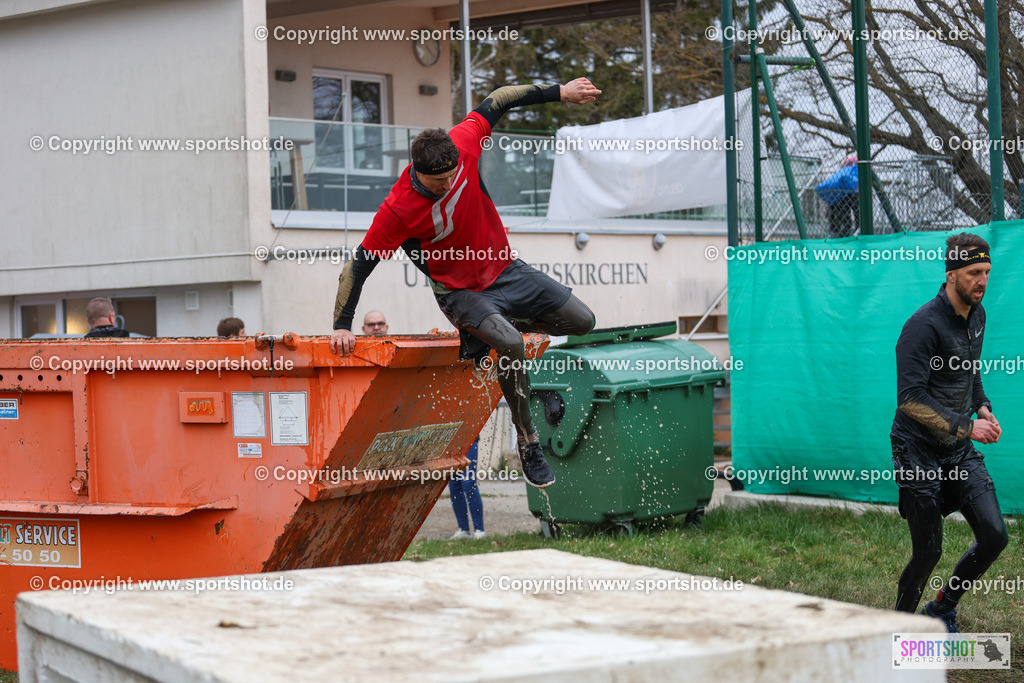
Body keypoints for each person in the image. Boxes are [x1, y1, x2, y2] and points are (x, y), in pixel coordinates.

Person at [329, 78, 600, 489]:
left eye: (452, 177)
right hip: (460, 293)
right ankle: (529, 442)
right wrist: (341, 324)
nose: (447, 186)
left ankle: (502, 344)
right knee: (510, 343)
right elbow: (358, 266)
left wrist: (559, 92)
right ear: (417, 172)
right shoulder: (397, 210)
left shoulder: (464, 142)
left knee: (582, 321)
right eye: (437, 183)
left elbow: (500, 98)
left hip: (505, 270)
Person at [891, 232, 1007, 632]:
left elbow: (969, 371)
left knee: (995, 536)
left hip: (957, 449)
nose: (982, 280)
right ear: (951, 274)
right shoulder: (922, 325)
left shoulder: (978, 315)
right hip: (916, 450)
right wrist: (969, 427)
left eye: (987, 272)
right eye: (974, 272)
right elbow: (910, 399)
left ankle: (941, 609)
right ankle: (895, 634)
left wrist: (982, 406)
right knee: (928, 552)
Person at [449, 438, 485, 540]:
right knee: (454, 484)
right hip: (451, 440)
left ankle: (479, 530)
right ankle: (463, 529)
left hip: (469, 438)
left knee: (468, 482)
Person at [816, 155, 859, 237]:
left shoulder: (843, 170)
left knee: (843, 214)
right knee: (854, 213)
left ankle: (839, 232)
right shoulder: (854, 167)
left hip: (840, 193)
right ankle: (855, 230)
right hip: (851, 192)